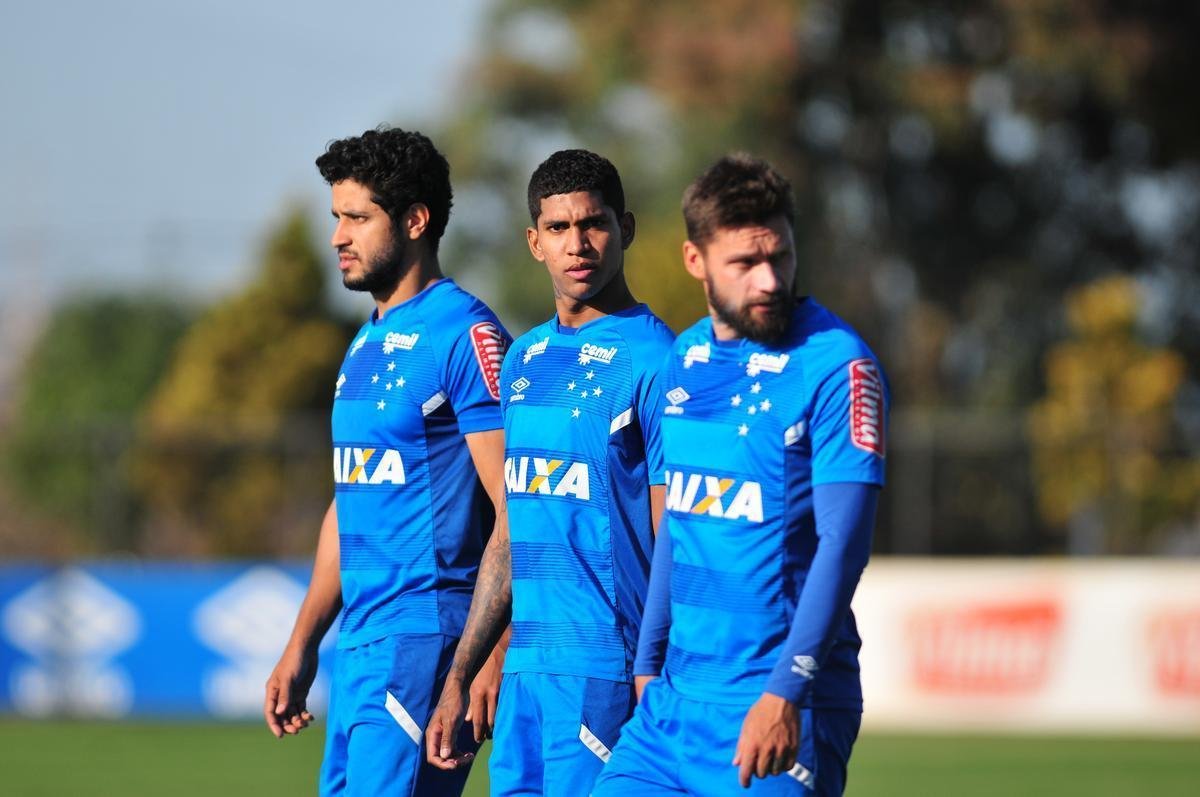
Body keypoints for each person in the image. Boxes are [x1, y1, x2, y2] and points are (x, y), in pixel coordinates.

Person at [593, 154, 888, 796]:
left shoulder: (837, 366)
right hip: (673, 705)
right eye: (745, 264)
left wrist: (786, 691)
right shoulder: (685, 360)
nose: (768, 280)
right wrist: (648, 659)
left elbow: (845, 543)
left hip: (778, 702)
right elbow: (680, 517)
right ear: (695, 261)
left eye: (779, 257)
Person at [263, 127, 510, 797]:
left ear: (415, 220)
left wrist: (486, 656)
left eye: (357, 217)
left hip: (424, 639)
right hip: (362, 644)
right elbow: (350, 504)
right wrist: (304, 641)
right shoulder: (364, 344)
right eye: (336, 218)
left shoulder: (465, 334)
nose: (339, 235)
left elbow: (520, 510)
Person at [425, 149, 675, 795]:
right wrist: (463, 671)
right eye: (558, 228)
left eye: (593, 223)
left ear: (627, 228)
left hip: (606, 670)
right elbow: (509, 530)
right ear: (534, 242)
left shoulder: (657, 359)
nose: (578, 243)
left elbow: (672, 531)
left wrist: (657, 664)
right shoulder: (524, 359)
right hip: (524, 680)